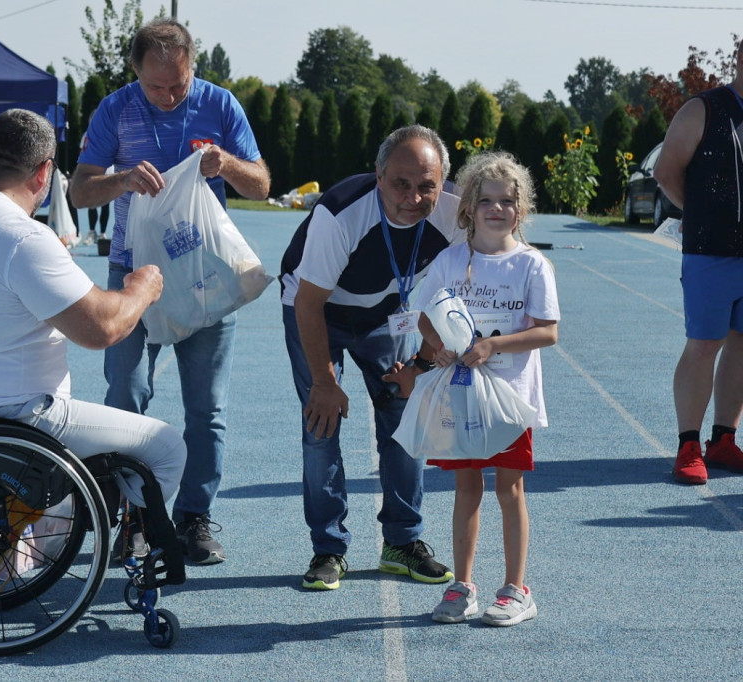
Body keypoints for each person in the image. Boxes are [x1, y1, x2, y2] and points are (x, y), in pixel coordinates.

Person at [0, 108, 187, 518]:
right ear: (44, 174)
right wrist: (140, 289)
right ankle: (108, 533)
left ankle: (16, 537)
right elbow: (102, 329)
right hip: (20, 418)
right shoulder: (23, 237)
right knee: (167, 447)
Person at [69, 18, 270, 565]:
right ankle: (132, 516)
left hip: (205, 274)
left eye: (178, 85)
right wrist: (122, 180)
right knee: (125, 396)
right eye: (156, 87)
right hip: (131, 275)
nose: (168, 96)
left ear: (192, 67)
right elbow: (80, 190)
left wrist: (224, 163)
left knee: (207, 409)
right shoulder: (115, 109)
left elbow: (263, 182)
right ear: (135, 72)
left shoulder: (221, 105)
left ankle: (193, 518)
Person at [279, 125, 461, 591]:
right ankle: (329, 548)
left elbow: (452, 302)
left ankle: (403, 541)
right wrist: (324, 382)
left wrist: (419, 367)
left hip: (387, 313)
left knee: (405, 414)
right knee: (322, 425)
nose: (413, 197)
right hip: (318, 310)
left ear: (443, 182)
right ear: (378, 176)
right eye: (400, 183)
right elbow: (308, 303)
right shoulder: (341, 214)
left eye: (427, 186)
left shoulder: (455, 215)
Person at [405, 152, 559, 626]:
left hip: (511, 399)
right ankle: (462, 585)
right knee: (465, 487)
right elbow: (425, 316)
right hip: (460, 393)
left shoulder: (532, 265)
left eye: (507, 201)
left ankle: (516, 589)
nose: (497, 209)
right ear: (468, 206)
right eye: (487, 200)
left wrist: (495, 346)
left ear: (521, 208)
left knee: (510, 488)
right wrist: (437, 348)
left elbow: (548, 332)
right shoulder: (451, 261)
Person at [654, 38, 743, 485]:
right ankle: (689, 443)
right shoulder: (703, 109)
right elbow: (666, 170)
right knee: (704, 344)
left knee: (742, 344)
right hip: (711, 252)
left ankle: (723, 440)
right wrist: (700, 214)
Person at [80, 108, 110, 247]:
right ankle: (92, 231)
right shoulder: (87, 135)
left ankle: (103, 233)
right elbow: (82, 154)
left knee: (105, 203)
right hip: (92, 174)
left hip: (108, 173)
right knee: (92, 203)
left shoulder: (110, 133)